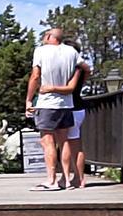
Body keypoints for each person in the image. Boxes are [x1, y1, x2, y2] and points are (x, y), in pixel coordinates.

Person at [25, 28, 78, 190]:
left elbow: (35, 76)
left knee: (47, 142)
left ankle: (51, 180)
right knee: (64, 141)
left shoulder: (41, 51)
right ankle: (66, 180)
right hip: (66, 104)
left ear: (49, 37)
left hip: (47, 103)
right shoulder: (72, 52)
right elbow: (83, 68)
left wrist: (28, 99)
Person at [39, 39, 92, 188]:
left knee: (65, 143)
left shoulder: (68, 69)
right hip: (79, 107)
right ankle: (79, 179)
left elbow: (68, 88)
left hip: (69, 108)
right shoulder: (80, 69)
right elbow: (87, 73)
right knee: (75, 144)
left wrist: (50, 88)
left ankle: (65, 178)